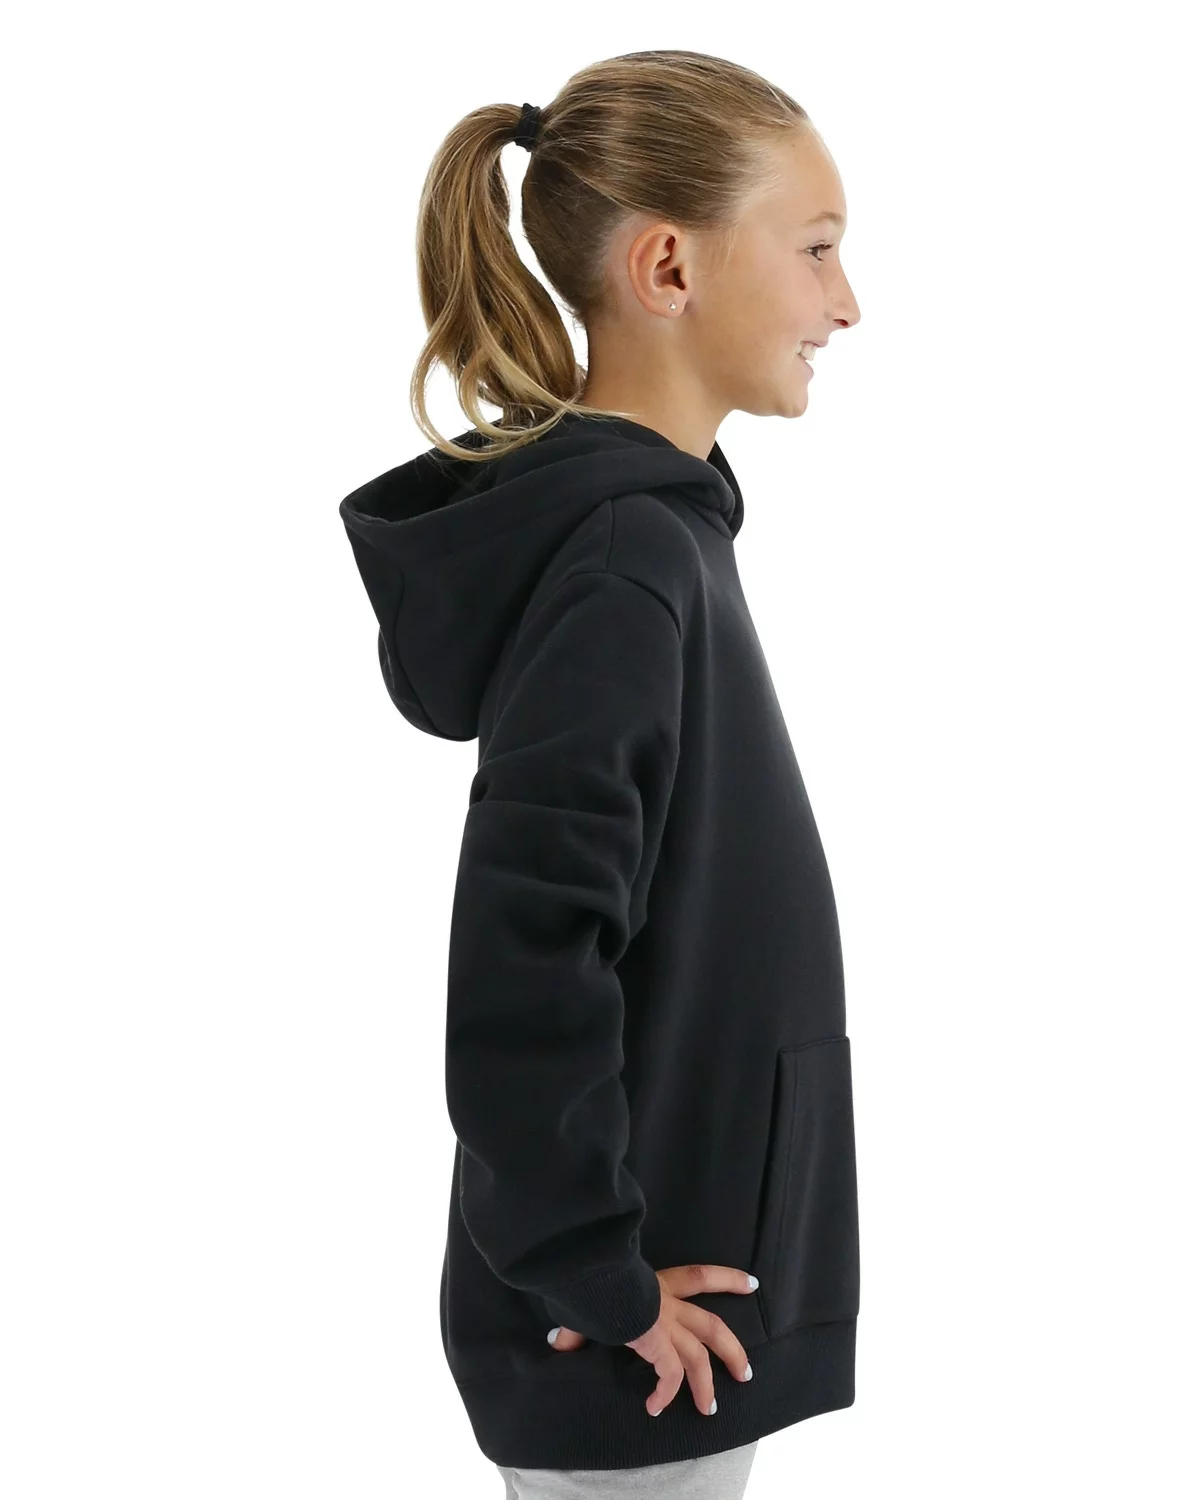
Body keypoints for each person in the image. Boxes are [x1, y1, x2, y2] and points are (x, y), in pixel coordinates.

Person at [338, 47, 862, 1498]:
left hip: (671, 1300)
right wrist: (597, 1273)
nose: (846, 305)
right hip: (636, 1339)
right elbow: (524, 960)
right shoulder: (628, 565)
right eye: (817, 250)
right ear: (669, 267)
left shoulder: (661, 541)